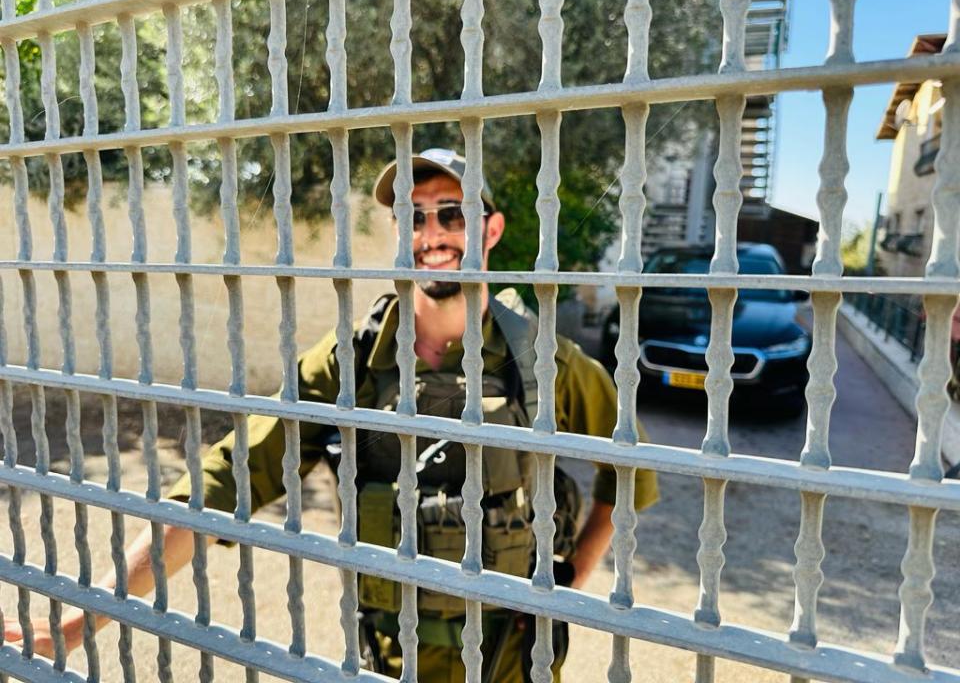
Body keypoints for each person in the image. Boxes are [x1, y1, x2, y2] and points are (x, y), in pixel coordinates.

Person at [5, 148, 658, 682]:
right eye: (415, 215)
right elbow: (220, 483)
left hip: (516, 665)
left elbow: (630, 470)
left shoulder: (550, 364)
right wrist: (84, 617)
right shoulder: (348, 363)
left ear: (490, 229)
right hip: (387, 660)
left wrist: (574, 575)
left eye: (453, 214)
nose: (431, 233)